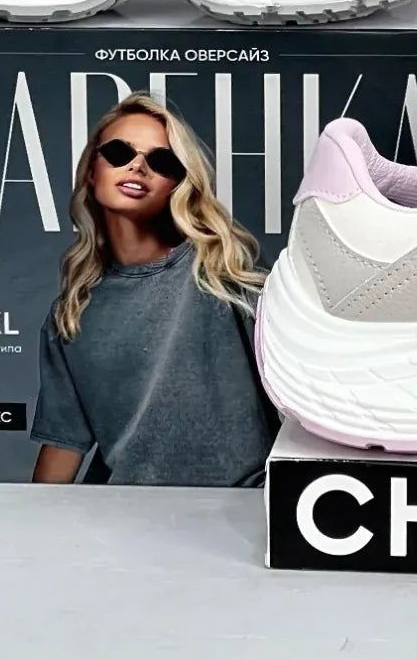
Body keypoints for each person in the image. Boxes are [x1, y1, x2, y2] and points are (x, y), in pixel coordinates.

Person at [30, 92, 280, 486]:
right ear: (91, 170)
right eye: (118, 152)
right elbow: (64, 444)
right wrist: (28, 523)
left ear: (177, 184)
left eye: (161, 161)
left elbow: (298, 392)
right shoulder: (72, 313)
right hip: (127, 510)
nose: (137, 166)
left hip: (240, 506)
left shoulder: (224, 266)